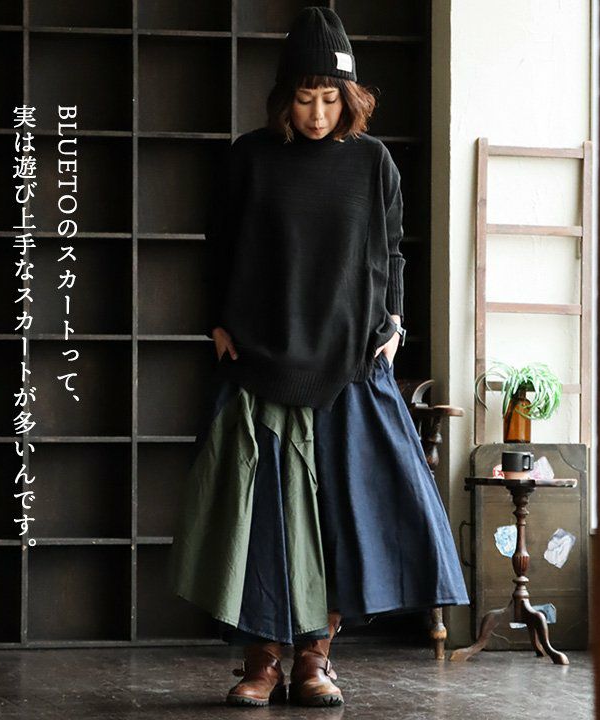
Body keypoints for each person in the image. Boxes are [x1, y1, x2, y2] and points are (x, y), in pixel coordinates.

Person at [167, 6, 470, 708]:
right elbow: (218, 247)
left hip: (352, 365)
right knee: (260, 523)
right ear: (284, 98)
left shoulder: (373, 161)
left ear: (350, 97)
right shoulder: (249, 157)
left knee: (342, 519)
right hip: (261, 359)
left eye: (330, 98)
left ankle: (316, 659)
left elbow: (392, 250)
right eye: (305, 98)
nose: (317, 113)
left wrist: (395, 320)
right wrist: (216, 323)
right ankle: (262, 662)